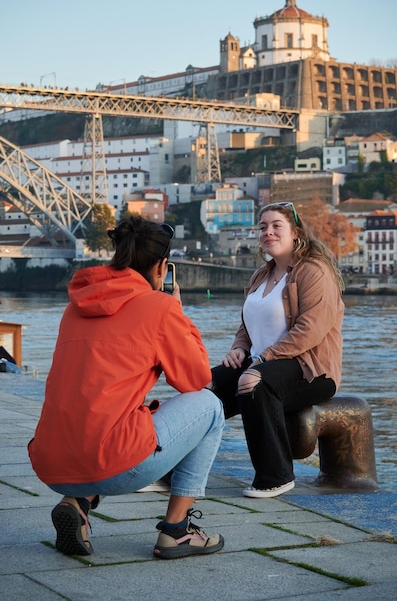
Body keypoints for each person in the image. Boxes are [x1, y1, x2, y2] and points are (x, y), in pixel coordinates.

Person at [28, 215, 225, 559]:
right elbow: (195, 381)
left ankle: (78, 502)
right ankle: (177, 531)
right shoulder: (159, 307)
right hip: (113, 464)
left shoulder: (74, 308)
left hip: (51, 462)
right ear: (162, 267)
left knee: (104, 414)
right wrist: (178, 313)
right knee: (211, 407)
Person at [211, 201, 344, 498]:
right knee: (205, 387)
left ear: (295, 233)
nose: (267, 232)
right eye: (262, 227)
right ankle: (169, 468)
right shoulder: (261, 276)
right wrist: (239, 348)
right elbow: (247, 324)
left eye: (276, 226)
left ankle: (276, 476)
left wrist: (261, 359)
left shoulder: (314, 272)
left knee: (252, 381)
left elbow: (310, 329)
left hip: (309, 369)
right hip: (261, 362)